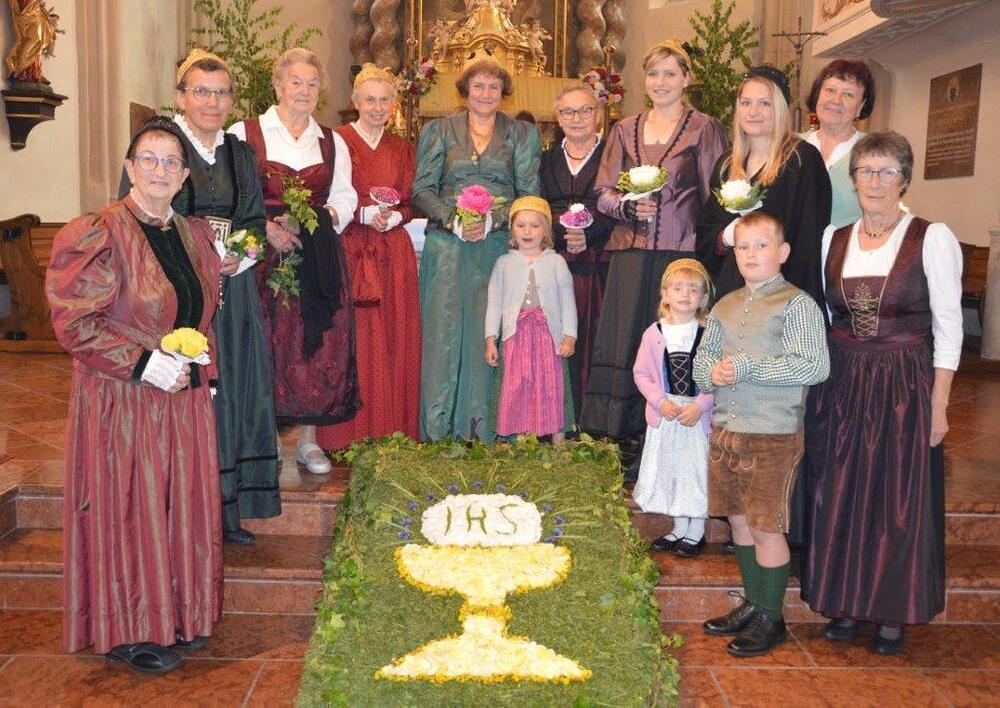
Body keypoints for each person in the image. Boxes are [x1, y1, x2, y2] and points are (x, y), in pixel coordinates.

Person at [47, 117, 232, 673]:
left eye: (171, 162)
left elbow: (202, 315)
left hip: (182, 397)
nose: (159, 170)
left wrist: (207, 375)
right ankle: (129, 628)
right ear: (130, 168)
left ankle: (176, 614)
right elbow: (75, 323)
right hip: (122, 398)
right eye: (148, 159)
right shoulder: (97, 232)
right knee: (131, 507)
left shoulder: (195, 235)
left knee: (179, 506)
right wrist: (144, 364)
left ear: (184, 176)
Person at [801, 132, 963, 654]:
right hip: (843, 380)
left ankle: (891, 609)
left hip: (903, 381)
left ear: (904, 179)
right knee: (840, 489)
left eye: (887, 171)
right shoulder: (833, 238)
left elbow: (949, 326)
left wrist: (939, 403)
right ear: (854, 179)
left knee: (897, 495)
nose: (875, 181)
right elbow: (826, 315)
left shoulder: (931, 237)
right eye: (866, 170)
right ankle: (845, 601)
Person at [117, 49, 278, 546]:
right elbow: (133, 217)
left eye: (221, 93)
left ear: (232, 100)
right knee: (186, 398)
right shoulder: (161, 149)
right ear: (180, 96)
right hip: (177, 296)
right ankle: (177, 512)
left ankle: (226, 513)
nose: (212, 101)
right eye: (201, 91)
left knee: (232, 395)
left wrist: (241, 254)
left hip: (233, 293)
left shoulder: (240, 154)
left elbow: (254, 220)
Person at [693, 211, 829, 657]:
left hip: (772, 435)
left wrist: (749, 368)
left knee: (766, 526)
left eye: (761, 245)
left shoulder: (797, 304)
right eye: (743, 247)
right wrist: (711, 373)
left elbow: (814, 365)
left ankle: (772, 617)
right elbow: (702, 363)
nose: (750, 254)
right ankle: (753, 603)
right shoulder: (725, 305)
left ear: (783, 252)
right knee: (738, 520)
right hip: (726, 431)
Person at [584, 40, 727, 443]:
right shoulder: (623, 129)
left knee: (674, 340)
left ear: (687, 79)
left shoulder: (704, 128)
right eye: (653, 74)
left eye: (670, 73)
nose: (660, 82)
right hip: (630, 253)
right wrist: (627, 207)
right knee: (629, 338)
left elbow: (715, 196)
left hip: (680, 254)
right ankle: (622, 435)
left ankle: (676, 433)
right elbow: (602, 192)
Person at [229, 47, 360, 474]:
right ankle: (264, 440)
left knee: (313, 345)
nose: (304, 90)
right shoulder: (244, 132)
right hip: (258, 256)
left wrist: (313, 224)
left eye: (312, 83)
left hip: (314, 256)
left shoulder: (332, 140)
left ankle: (308, 441)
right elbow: (231, 194)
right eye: (296, 81)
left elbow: (345, 198)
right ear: (278, 85)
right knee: (263, 342)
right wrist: (265, 227)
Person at [413, 55, 541, 441]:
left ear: (504, 92)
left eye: (493, 86)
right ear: (465, 91)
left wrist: (492, 221)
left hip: (497, 247)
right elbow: (422, 189)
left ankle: (488, 429)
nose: (485, 93)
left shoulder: (521, 134)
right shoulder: (439, 131)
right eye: (478, 86)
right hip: (447, 245)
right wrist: (453, 219)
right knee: (444, 333)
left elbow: (528, 194)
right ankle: (439, 430)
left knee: (493, 331)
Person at [316, 64, 421, 450]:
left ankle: (391, 429)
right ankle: (347, 434)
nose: (377, 107)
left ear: (394, 104)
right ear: (355, 102)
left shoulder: (402, 147)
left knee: (393, 337)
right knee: (355, 338)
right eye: (370, 100)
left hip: (393, 252)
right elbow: (324, 194)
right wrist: (362, 213)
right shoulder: (336, 140)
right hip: (351, 247)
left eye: (384, 100)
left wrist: (398, 216)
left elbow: (411, 199)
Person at [696, 65, 832, 311]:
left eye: (764, 103)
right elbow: (707, 230)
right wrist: (725, 236)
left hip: (782, 295)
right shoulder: (727, 165)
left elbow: (809, 239)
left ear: (779, 109)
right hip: (733, 294)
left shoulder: (801, 160)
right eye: (746, 103)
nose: (753, 112)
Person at [540, 83, 614, 420]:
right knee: (552, 335)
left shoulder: (613, 156)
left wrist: (589, 233)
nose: (577, 118)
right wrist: (562, 231)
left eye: (585, 110)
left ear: (597, 115)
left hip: (599, 262)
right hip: (555, 260)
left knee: (594, 336)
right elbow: (537, 205)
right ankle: (553, 417)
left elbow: (620, 205)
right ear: (557, 117)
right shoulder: (546, 160)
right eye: (568, 111)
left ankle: (590, 419)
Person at [633, 259, 714, 557]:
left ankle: (696, 531)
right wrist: (660, 402)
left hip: (695, 417)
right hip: (667, 414)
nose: (685, 294)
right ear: (665, 295)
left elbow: (717, 377)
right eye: (678, 288)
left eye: (693, 289)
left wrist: (700, 405)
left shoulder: (709, 333)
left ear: (703, 298)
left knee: (695, 472)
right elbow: (642, 374)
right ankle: (679, 527)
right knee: (673, 470)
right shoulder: (653, 333)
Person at [486, 197, 577, 442]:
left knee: (550, 385)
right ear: (512, 230)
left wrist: (569, 337)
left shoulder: (556, 262)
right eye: (521, 225)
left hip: (548, 336)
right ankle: (522, 440)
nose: (527, 231)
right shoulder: (504, 264)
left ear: (545, 231)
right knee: (517, 385)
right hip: (515, 337)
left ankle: (558, 441)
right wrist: (491, 339)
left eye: (535, 226)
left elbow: (568, 301)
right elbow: (494, 304)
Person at [803, 59, 876, 229]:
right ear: (817, 94)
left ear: (861, 106)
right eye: (830, 90)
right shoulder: (790, 146)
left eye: (848, 94)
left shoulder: (874, 151)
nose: (836, 100)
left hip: (848, 245)